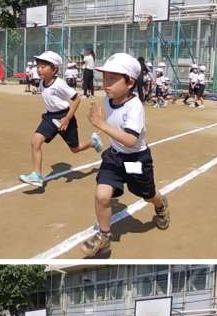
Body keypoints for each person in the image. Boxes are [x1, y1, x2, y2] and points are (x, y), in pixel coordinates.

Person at [83, 52, 170, 257]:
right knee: (102, 196)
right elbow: (112, 123)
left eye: (113, 79)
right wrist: (100, 126)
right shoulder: (108, 99)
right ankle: (104, 237)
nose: (106, 83)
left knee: (147, 194)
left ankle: (160, 204)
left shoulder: (135, 107)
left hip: (136, 160)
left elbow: (130, 140)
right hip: (114, 157)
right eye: (105, 78)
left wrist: (100, 124)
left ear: (130, 83)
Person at [18, 50, 103, 189]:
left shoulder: (59, 84)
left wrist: (67, 118)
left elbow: (76, 99)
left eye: (43, 67)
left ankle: (93, 142)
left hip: (64, 116)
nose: (39, 69)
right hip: (50, 117)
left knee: (75, 148)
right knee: (35, 141)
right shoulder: (42, 82)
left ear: (54, 70)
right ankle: (37, 175)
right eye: (38, 66)